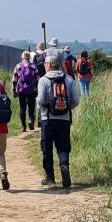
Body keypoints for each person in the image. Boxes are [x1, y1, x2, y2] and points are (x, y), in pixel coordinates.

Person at [35, 54, 79, 188]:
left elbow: (41, 100)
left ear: (48, 65)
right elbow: (76, 100)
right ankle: (64, 165)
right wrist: (65, 108)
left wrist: (42, 107)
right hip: (64, 119)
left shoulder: (43, 80)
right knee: (63, 146)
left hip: (47, 119)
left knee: (47, 147)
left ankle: (50, 178)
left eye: (45, 63)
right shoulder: (69, 79)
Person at [12, 50, 39, 131]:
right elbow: (38, 78)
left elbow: (14, 79)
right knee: (31, 106)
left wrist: (14, 90)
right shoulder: (33, 66)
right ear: (29, 57)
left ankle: (23, 126)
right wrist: (37, 88)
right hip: (32, 89)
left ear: (22, 57)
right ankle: (31, 120)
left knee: (22, 107)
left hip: (21, 89)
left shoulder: (18, 66)